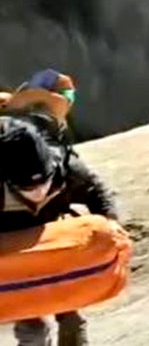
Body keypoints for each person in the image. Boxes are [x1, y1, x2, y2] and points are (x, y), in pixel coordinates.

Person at [0, 113, 119, 346]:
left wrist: (111, 224)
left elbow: (99, 193)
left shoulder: (66, 169)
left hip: (58, 250)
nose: (38, 192)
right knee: (31, 328)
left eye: (43, 182)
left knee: (70, 315)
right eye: (27, 187)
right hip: (16, 261)